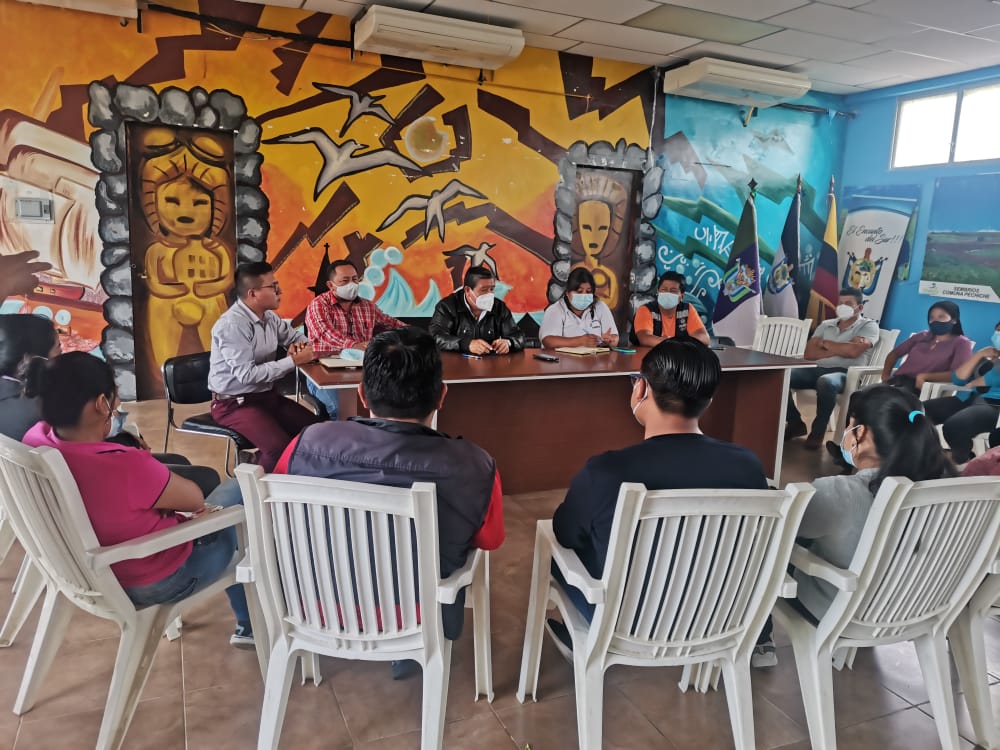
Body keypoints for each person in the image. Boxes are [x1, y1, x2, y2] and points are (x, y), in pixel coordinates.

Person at [274, 327, 504, 677]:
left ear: (362, 393)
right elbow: (490, 540)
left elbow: (278, 518)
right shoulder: (475, 465)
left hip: (312, 604)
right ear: (441, 395)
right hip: (422, 616)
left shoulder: (307, 443)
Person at [20, 352, 254, 647]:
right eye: (115, 397)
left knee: (192, 477)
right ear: (101, 403)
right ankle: (248, 625)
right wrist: (139, 457)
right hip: (157, 579)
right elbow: (194, 500)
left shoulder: (35, 440)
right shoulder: (123, 465)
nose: (117, 405)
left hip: (89, 574)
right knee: (241, 487)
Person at [550, 339, 768, 654]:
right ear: (709, 399)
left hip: (627, 623)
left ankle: (583, 643)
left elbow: (565, 532)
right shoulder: (748, 465)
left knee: (559, 556)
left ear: (641, 389)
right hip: (720, 617)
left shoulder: (607, 471)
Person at [0, 314, 221, 495]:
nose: (63, 353)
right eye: (58, 347)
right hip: (87, 487)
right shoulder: (44, 402)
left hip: (53, 488)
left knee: (177, 460)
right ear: (37, 359)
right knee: (206, 478)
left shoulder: (15, 399)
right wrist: (128, 444)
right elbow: (90, 445)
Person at [791, 385, 955, 627]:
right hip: (918, 610)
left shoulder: (838, 492)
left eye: (850, 425)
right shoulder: (949, 489)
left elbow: (785, 533)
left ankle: (762, 640)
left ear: (862, 434)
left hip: (840, 614)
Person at [208, 262, 322, 472]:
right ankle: (255, 485)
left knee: (317, 431)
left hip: (267, 397)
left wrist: (298, 346)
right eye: (273, 287)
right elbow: (247, 375)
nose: (280, 291)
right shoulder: (232, 325)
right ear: (253, 294)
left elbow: (296, 338)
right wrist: (294, 361)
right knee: (278, 449)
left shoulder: (269, 317)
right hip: (235, 404)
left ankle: (255, 461)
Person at [304, 259, 405, 418]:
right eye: (345, 281)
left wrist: (415, 334)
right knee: (342, 409)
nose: (351, 284)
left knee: (391, 402)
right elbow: (326, 334)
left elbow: (392, 324)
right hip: (324, 372)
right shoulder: (318, 305)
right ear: (331, 285)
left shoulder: (367, 306)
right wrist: (354, 345)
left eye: (355, 279)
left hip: (363, 370)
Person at [786, 288, 879, 449]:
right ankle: (795, 422)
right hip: (816, 368)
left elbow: (853, 352)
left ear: (860, 307)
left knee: (826, 381)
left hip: (847, 374)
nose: (842, 307)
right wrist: (843, 347)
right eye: (840, 303)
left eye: (848, 303)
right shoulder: (826, 324)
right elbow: (809, 353)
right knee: (782, 374)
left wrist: (824, 344)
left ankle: (818, 431)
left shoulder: (868, 326)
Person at [924, 321, 1000, 465]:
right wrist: (979, 355)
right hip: (967, 400)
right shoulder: (985, 358)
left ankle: (962, 462)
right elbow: (958, 379)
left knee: (955, 426)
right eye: (998, 330)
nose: (998, 334)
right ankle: (924, 453)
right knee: (918, 412)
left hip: (993, 406)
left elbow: (990, 380)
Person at [881, 301, 972, 395]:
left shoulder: (962, 343)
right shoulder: (922, 336)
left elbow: (959, 374)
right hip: (898, 381)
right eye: (932, 317)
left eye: (941, 317)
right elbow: (895, 353)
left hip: (924, 388)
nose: (935, 321)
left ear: (954, 320)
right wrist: (885, 375)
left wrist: (925, 376)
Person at [429, 266, 525, 355]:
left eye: (492, 289)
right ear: (467, 290)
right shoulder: (447, 306)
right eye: (484, 290)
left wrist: (509, 342)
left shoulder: (499, 307)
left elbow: (519, 336)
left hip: (490, 364)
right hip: (456, 364)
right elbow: (436, 337)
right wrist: (466, 344)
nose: (489, 294)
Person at [539, 267, 619, 350]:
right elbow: (548, 341)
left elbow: (614, 339)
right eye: (579, 291)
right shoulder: (555, 310)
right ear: (567, 293)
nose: (584, 295)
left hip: (595, 357)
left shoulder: (600, 307)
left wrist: (608, 341)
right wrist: (580, 341)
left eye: (588, 291)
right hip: (563, 358)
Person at [629, 271, 710, 347]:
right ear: (658, 292)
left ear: (682, 296)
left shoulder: (687, 309)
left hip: (678, 355)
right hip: (648, 355)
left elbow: (704, 338)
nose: (667, 293)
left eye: (673, 291)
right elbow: (645, 339)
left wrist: (676, 343)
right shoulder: (646, 310)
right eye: (664, 290)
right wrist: (677, 343)